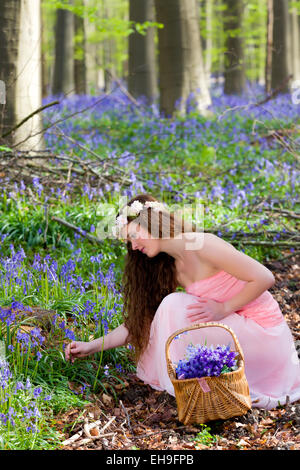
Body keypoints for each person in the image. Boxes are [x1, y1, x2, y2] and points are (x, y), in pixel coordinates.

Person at [65, 193, 300, 410]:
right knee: (169, 307)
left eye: (134, 235)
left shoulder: (203, 244)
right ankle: (191, 381)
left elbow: (264, 277)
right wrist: (92, 345)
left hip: (264, 333)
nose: (134, 246)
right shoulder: (170, 266)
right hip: (236, 330)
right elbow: (145, 319)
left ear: (152, 222)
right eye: (129, 241)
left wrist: (224, 308)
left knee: (173, 304)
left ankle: (187, 382)